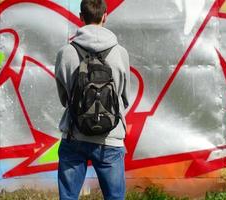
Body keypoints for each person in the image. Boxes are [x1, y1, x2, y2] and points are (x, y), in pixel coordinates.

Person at [55, 0, 130, 199]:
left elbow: (64, 98)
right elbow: (124, 96)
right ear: (105, 16)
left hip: (74, 135)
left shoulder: (65, 52)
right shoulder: (120, 53)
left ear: (81, 17)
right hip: (110, 138)